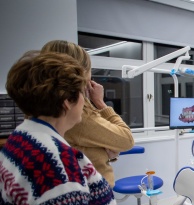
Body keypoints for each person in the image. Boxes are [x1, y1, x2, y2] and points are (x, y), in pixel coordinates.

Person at [0, 51, 122, 205]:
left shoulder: (20, 139)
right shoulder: (53, 162)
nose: (85, 101)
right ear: (67, 101)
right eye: (82, 93)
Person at [41, 40, 135, 187]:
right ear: (80, 73)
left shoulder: (43, 108)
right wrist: (100, 102)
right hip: (93, 192)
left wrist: (103, 150)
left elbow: (77, 147)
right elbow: (126, 139)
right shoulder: (74, 112)